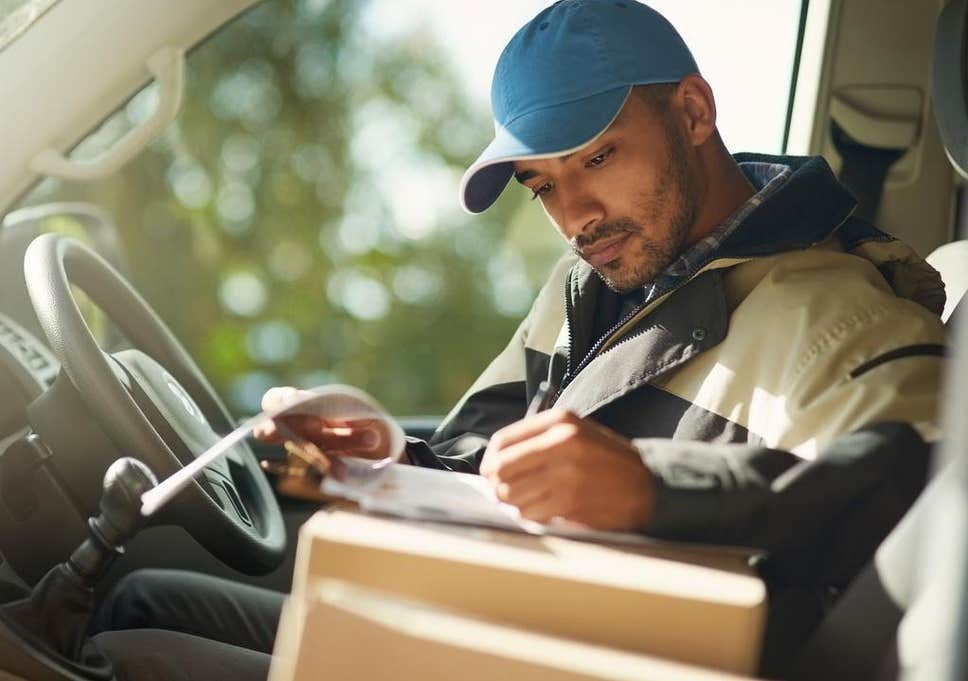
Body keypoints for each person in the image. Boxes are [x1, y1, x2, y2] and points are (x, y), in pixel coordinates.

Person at [91, 1, 947, 679]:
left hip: (605, 655)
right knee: (138, 598)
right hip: (501, 607)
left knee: (127, 658)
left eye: (598, 157)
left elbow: (923, 497)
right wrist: (380, 457)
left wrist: (655, 487)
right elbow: (480, 464)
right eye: (542, 185)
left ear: (692, 112)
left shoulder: (840, 313)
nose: (574, 216)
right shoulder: (593, 283)